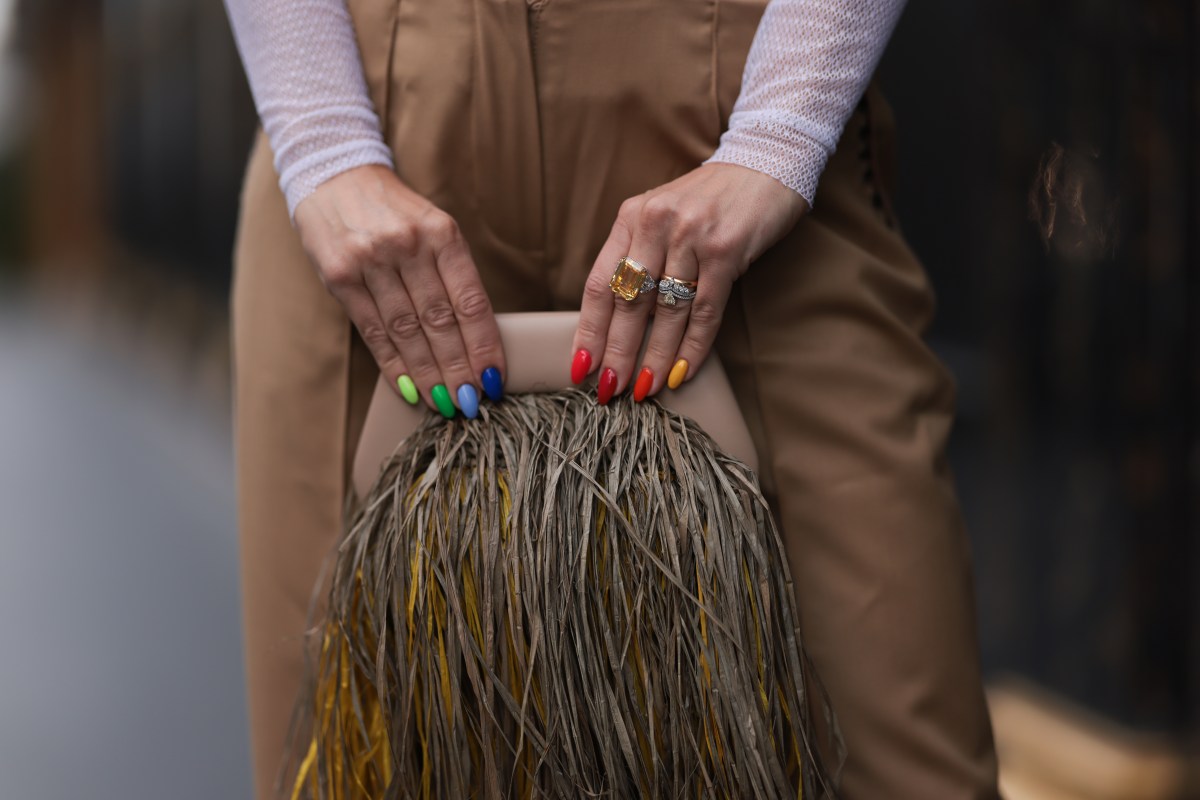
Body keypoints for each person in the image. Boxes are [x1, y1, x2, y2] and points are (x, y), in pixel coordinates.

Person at [223, 0, 1002, 797]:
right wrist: (323, 142)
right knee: (342, 759)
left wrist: (781, 131)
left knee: (906, 755)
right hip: (368, 145)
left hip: (737, 118)